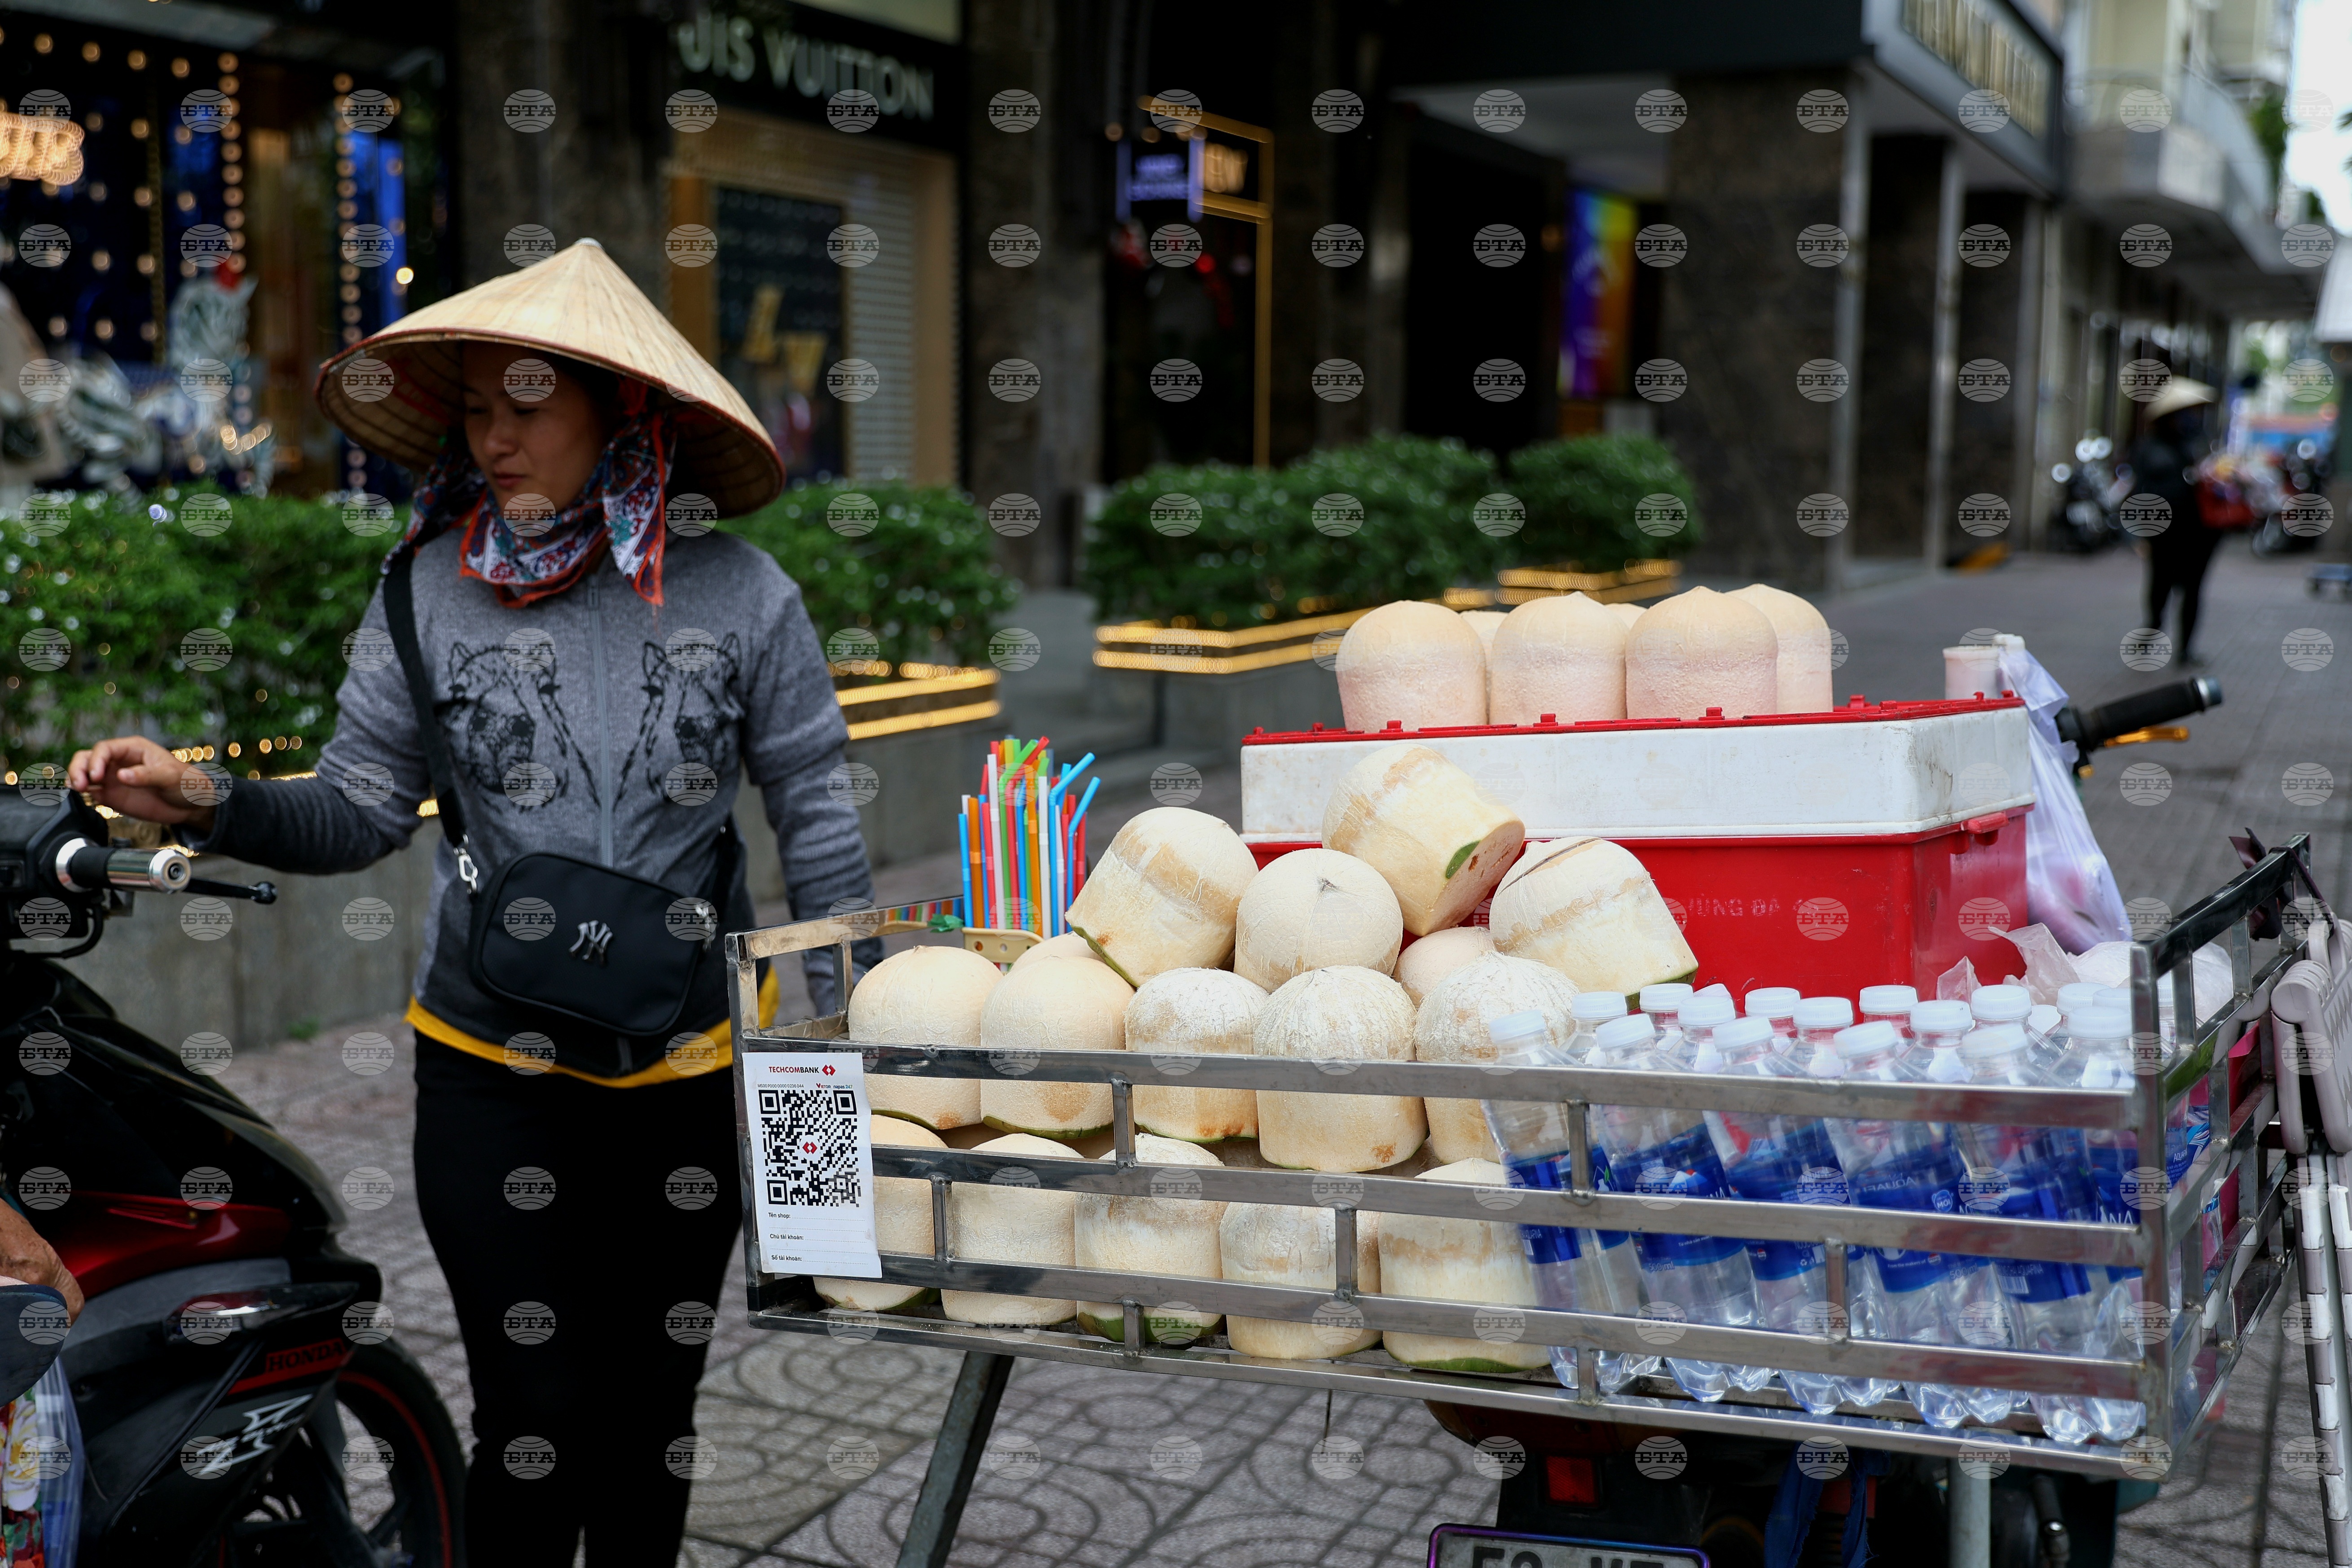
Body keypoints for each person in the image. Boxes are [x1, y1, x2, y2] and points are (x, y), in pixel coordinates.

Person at [69, 239, 878, 1567]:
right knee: (534, 1410)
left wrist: (834, 1081)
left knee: (648, 1412)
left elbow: (820, 823)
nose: (495, 438)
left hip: (684, 1072)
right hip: (490, 1069)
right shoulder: (425, 587)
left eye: (527, 406)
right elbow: (359, 807)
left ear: (617, 410)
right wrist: (209, 796)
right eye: (479, 413)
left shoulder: (744, 594)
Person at [2128, 378, 2220, 667]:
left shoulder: (2198, 446)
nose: (2190, 418)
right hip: (2165, 533)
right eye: (2183, 413)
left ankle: (2185, 650)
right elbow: (2140, 490)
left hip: (2200, 532)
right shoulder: (2149, 448)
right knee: (2160, 586)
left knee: (2193, 589)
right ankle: (2153, 629)